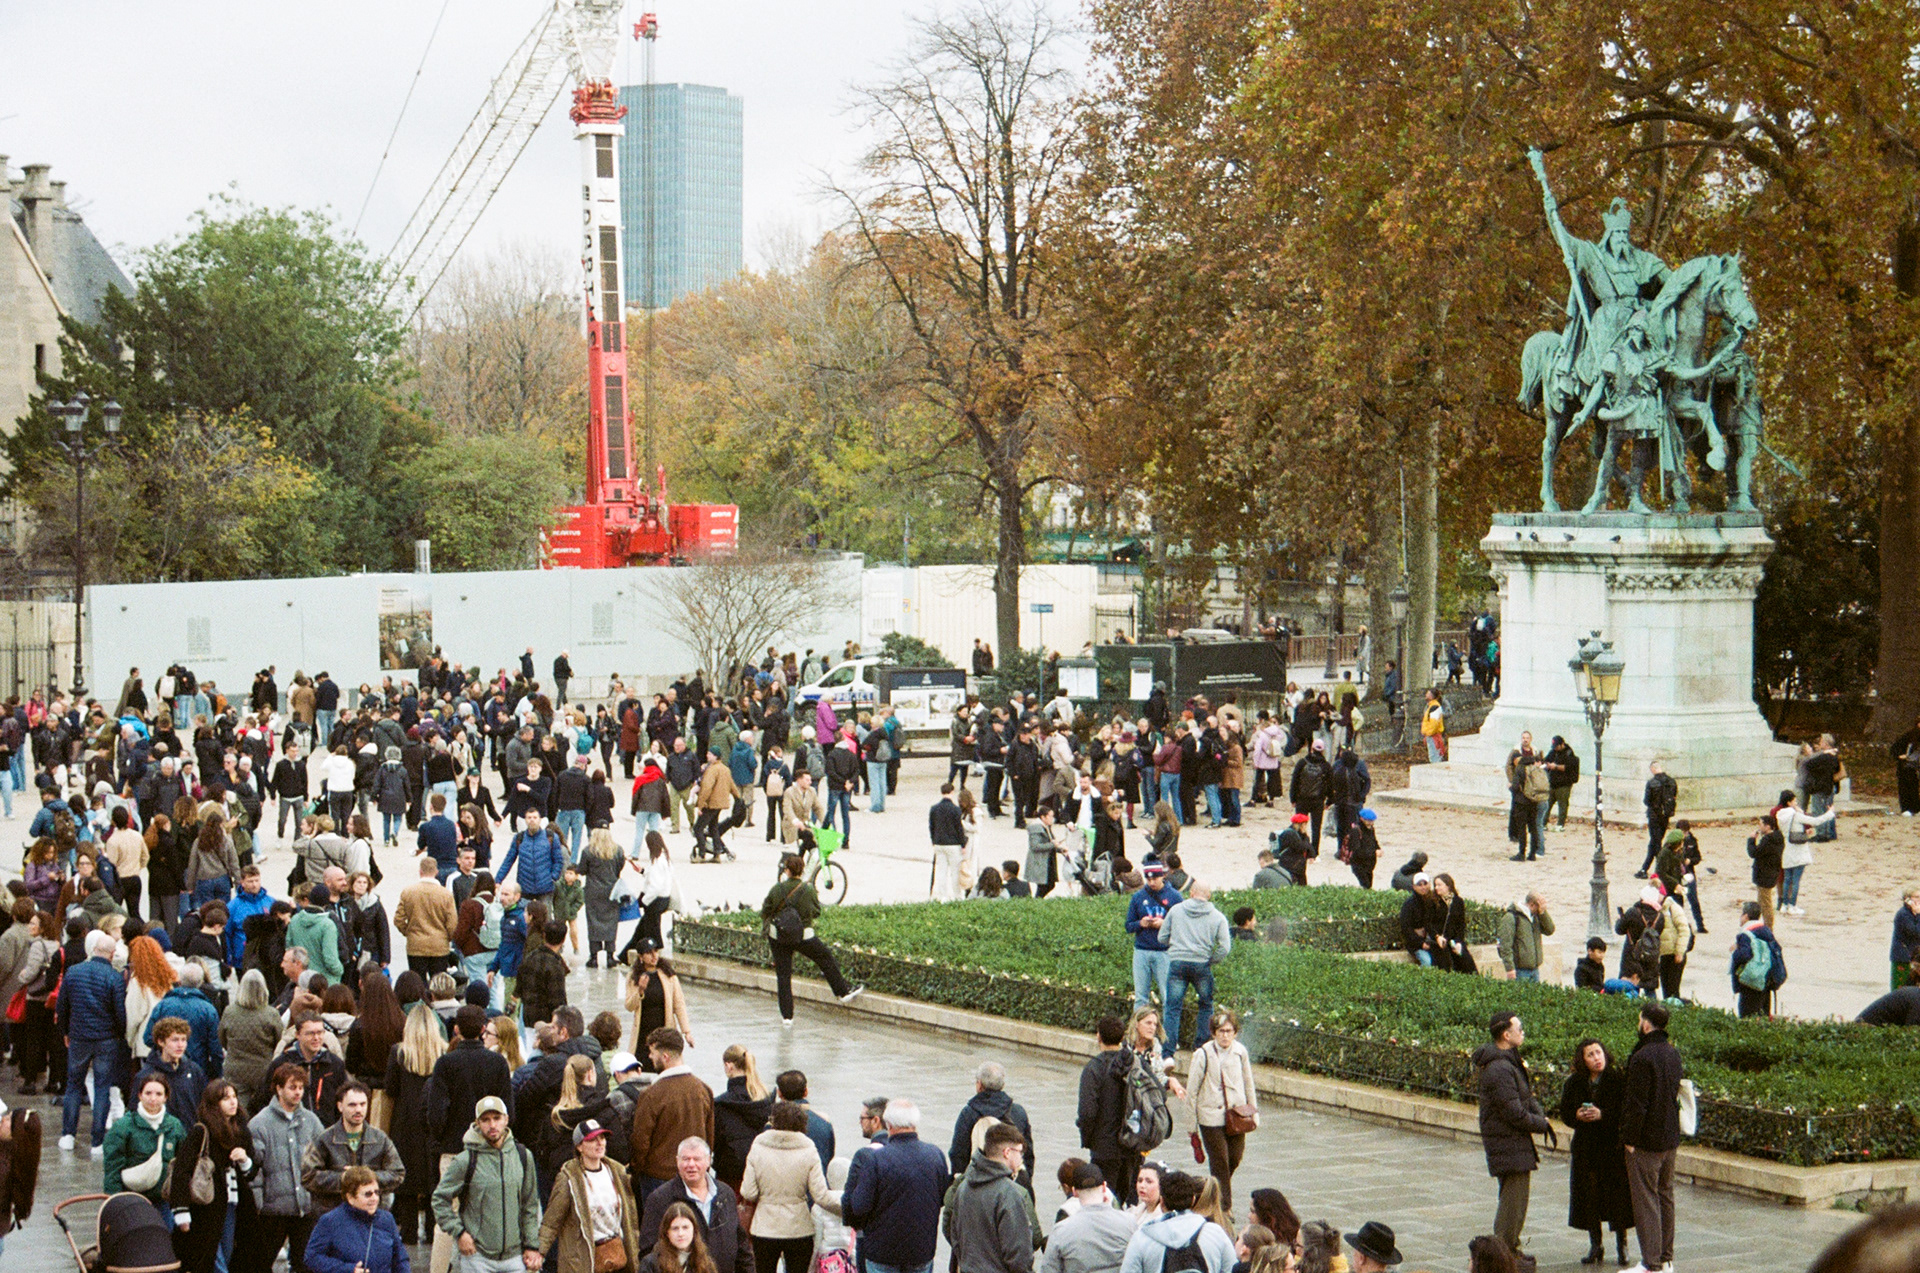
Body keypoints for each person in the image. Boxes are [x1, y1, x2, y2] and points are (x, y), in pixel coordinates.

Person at [432, 1094, 544, 1273]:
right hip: (478, 1257)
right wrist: (459, 1233)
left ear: (506, 1120)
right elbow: (439, 1199)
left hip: (515, 1256)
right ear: (477, 1123)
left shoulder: (523, 1156)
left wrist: (532, 1245)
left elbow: (529, 1206)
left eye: (497, 1118)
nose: (492, 1125)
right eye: (485, 1120)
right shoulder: (466, 1160)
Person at [1474, 1011, 1553, 1260]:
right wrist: (1541, 1124)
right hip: (1507, 1143)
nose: (1523, 1032)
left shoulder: (1508, 1062)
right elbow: (1514, 1112)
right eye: (1519, 1028)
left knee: (1514, 1202)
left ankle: (1508, 1250)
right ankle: (1503, 1255)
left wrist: (1540, 1117)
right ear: (1506, 1035)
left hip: (1511, 1143)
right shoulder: (1499, 1068)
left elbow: (1525, 1098)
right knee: (1512, 1205)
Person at [761, 854, 864, 1025]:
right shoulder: (808, 889)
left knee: (783, 975)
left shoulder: (776, 889)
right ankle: (842, 992)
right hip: (803, 936)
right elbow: (816, 911)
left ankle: (787, 1017)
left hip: (778, 936)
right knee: (824, 957)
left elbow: (765, 910)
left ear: (786, 870)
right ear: (802, 870)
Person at [1557, 1037, 1634, 1266]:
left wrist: (1603, 1115)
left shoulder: (1617, 1080)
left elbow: (1625, 1111)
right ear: (1582, 1059)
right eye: (1590, 1055)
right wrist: (1577, 1116)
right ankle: (1596, 1244)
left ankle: (1622, 1244)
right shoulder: (1575, 1082)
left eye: (1598, 1053)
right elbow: (1565, 1112)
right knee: (1589, 1197)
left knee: (1616, 1196)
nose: (1596, 1058)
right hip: (1586, 1148)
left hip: (1611, 1147)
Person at [169, 1078, 259, 1273]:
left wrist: (245, 1160)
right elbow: (182, 1171)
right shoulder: (201, 1131)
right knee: (211, 1259)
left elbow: (251, 1173)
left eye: (234, 1097)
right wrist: (181, 1210)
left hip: (233, 1205)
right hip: (205, 1206)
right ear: (214, 1103)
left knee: (226, 1255)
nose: (233, 1102)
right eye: (226, 1098)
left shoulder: (241, 1130)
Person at [1620, 1002, 1682, 1273]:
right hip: (1670, 1137)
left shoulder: (1642, 1057)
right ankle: (1666, 1259)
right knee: (1665, 1196)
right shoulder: (1672, 1053)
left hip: (1647, 1140)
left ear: (1645, 1024)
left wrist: (1629, 1139)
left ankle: (1651, 1263)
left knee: (1646, 1200)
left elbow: (1637, 1104)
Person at [252, 1062, 328, 1273]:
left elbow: (323, 1157)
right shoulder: (260, 1124)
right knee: (261, 1262)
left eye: (301, 1088)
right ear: (278, 1088)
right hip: (273, 1209)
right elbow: (255, 1170)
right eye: (292, 1087)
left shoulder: (311, 1121)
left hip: (305, 1207)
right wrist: (258, 1203)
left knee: (306, 1263)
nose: (298, 1093)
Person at [385, 999, 449, 1248]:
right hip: (433, 1122)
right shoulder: (444, 1052)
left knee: (407, 1181)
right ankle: (434, 1232)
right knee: (434, 1179)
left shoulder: (399, 1053)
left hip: (404, 1122)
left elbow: (391, 1088)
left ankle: (409, 1233)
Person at [637, 1138, 755, 1273]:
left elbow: (741, 1246)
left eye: (697, 1159)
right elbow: (648, 1252)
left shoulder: (726, 1194)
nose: (691, 1165)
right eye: (685, 1159)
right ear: (677, 1161)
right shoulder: (660, 1199)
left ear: (709, 1160)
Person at [539, 1119, 642, 1273]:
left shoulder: (618, 1172)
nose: (599, 1143)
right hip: (585, 1259)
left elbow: (630, 1218)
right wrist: (538, 1253)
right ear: (579, 1146)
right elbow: (551, 1222)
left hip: (617, 1254)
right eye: (592, 1139)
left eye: (602, 1138)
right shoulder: (569, 1178)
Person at [741, 1102, 831, 1273]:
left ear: (773, 1121)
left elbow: (748, 1192)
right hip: (799, 1227)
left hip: (764, 1226)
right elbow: (820, 1194)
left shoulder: (758, 1146)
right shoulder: (809, 1148)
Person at [60, 927, 127, 1153]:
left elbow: (63, 1006)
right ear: (111, 953)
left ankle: (68, 1135)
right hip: (106, 1038)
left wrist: (65, 1032)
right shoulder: (115, 978)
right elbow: (119, 1013)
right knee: (102, 1088)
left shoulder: (73, 972)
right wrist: (119, 1034)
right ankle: (97, 1141)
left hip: (79, 1036)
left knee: (73, 1085)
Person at [628, 1027, 716, 1194]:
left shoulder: (652, 1094)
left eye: (653, 1052)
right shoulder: (703, 1089)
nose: (649, 1057)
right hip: (695, 1176)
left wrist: (636, 1169)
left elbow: (641, 1141)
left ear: (665, 1057)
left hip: (657, 1178)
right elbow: (709, 1139)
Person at [1187, 1009, 1255, 1217]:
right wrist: (1192, 1126)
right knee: (1220, 1161)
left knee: (1234, 1157)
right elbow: (1192, 1091)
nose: (1225, 1035)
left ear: (1235, 1032)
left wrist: (1254, 1112)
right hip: (1210, 1117)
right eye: (1220, 1031)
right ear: (1214, 1032)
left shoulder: (1240, 1052)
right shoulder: (1203, 1054)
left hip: (1236, 1115)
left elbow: (1248, 1082)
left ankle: (1215, 1191)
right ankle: (1225, 1208)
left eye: (1229, 1031)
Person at [946, 1120, 1038, 1273]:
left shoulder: (963, 1187)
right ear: (1007, 1152)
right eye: (1020, 1152)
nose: (1021, 1158)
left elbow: (955, 1236)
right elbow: (1018, 1253)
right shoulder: (1009, 1193)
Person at [301, 1080, 404, 1213]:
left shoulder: (380, 1139)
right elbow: (308, 1176)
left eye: (363, 1104)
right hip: (334, 1215)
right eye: (352, 1105)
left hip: (372, 1215)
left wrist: (368, 1177)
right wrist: (344, 1179)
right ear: (340, 1106)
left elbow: (397, 1174)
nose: (358, 1110)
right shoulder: (324, 1139)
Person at [1117, 1170, 1235, 1273]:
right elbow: (1232, 1268)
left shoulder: (1141, 1238)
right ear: (1193, 1200)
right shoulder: (1215, 1232)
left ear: (1162, 1202)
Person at [1163, 881, 1231, 1054]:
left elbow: (1162, 937)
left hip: (1177, 963)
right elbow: (1225, 947)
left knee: (1172, 1008)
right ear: (1208, 896)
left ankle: (1168, 1052)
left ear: (1191, 893)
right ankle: (1200, 1048)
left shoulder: (1176, 910)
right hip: (1202, 965)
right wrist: (1211, 960)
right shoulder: (1217, 916)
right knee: (1206, 1005)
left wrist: (1175, 948)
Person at [303, 1164, 409, 1273]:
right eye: (368, 1194)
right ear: (350, 1197)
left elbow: (400, 1259)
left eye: (377, 1192)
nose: (374, 1198)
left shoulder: (386, 1219)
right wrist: (346, 1269)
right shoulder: (330, 1221)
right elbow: (312, 1257)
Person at [104, 1070, 188, 1207]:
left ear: (166, 1097)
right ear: (140, 1095)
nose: (153, 1099)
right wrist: (115, 1203)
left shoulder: (174, 1126)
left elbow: (183, 1165)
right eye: (148, 1093)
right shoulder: (123, 1127)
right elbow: (112, 1169)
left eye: (159, 1094)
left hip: (164, 1200)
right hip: (132, 1200)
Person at [1076, 1018, 1134, 1207]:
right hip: (1132, 1144)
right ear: (1122, 1037)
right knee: (1128, 1201)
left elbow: (1087, 1112)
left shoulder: (1093, 1069)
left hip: (1104, 1147)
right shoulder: (1134, 1064)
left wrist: (1087, 1138)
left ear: (1098, 1036)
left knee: (1106, 1201)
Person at [1040, 1160, 1133, 1273]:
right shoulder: (1129, 1223)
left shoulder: (1061, 1230)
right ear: (1104, 1187)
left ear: (1074, 1192)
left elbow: (1049, 1269)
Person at [949, 1061, 1036, 1181]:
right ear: (1002, 1084)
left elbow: (958, 1154)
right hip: (1013, 1181)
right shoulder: (1018, 1112)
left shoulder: (968, 1114)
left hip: (977, 1182)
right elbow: (1028, 1154)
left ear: (979, 1085)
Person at [713, 1045, 774, 1190]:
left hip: (730, 1172)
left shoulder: (721, 1103)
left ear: (729, 1066)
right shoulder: (766, 1099)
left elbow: (716, 1140)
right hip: (762, 1169)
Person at [1125, 863, 1181, 1013]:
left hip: (1164, 952)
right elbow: (1128, 926)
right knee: (1140, 997)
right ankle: (1139, 1031)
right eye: (1148, 879)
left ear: (1162, 876)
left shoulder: (1175, 897)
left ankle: (1168, 1033)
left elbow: (1182, 926)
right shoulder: (1138, 897)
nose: (1151, 883)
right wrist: (1141, 923)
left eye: (1155, 878)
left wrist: (1164, 925)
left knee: (1167, 996)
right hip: (1141, 951)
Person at [397, 856, 461, 979]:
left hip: (416, 945)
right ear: (436, 872)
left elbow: (398, 919)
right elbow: (452, 923)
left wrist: (408, 932)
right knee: (438, 983)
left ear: (420, 871)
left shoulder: (408, 892)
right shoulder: (445, 894)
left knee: (418, 983)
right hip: (439, 946)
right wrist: (447, 938)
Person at [1730, 900, 1787, 1018]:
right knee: (1763, 1016)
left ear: (1745, 917)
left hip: (1752, 982)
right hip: (1766, 979)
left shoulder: (1746, 934)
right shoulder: (1766, 930)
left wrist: (1735, 952)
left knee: (1748, 1017)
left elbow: (1744, 955)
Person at [1495, 893, 1555, 982]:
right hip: (1519, 971)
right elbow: (1505, 945)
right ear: (1532, 904)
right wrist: (1510, 969)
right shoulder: (1511, 917)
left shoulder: (1536, 917)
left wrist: (1543, 913)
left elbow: (1549, 930)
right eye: (1540, 906)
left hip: (1535, 970)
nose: (1541, 909)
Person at [1637, 761, 1677, 878]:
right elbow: (1674, 797)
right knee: (1655, 842)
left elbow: (1646, 801)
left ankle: (1659, 869)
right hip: (1666, 815)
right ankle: (1644, 868)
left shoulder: (1651, 783)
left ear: (1653, 769)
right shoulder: (1672, 782)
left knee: (1655, 842)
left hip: (1654, 815)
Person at [930, 783, 967, 902]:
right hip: (953, 843)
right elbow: (959, 828)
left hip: (939, 843)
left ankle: (942, 896)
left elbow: (932, 826)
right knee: (955, 872)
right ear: (952, 792)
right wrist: (963, 844)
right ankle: (957, 896)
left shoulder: (934, 808)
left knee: (941, 871)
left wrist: (934, 840)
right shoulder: (955, 809)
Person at [1891, 887, 1920, 990]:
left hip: (1914, 957)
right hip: (1902, 957)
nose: (1919, 900)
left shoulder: (1914, 914)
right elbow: (1915, 932)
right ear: (1907, 899)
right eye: (1916, 897)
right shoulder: (1903, 914)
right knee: (1900, 989)